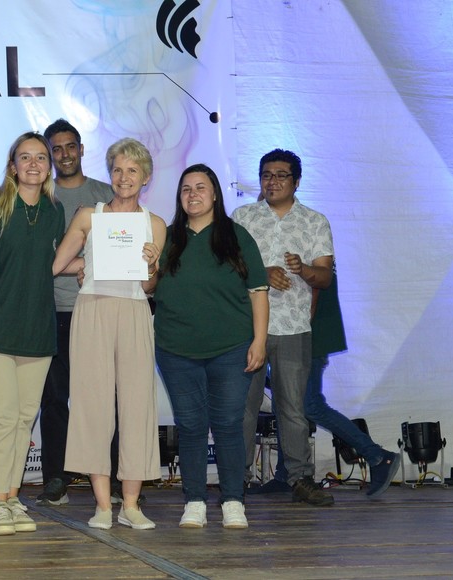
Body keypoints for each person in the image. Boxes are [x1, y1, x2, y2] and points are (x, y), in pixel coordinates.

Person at [53, 138, 166, 530]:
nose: (124, 177)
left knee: (137, 406)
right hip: (93, 310)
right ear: (110, 173)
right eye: (117, 169)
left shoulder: (154, 225)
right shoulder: (89, 215)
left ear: (145, 177)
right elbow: (57, 264)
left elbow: (150, 288)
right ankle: (102, 505)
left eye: (132, 171)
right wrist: (84, 264)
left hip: (135, 312)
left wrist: (152, 267)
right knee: (92, 404)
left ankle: (130, 504)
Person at [150, 164, 268, 529]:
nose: (193, 194)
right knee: (190, 426)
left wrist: (259, 341)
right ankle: (195, 501)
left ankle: (233, 500)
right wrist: (147, 265)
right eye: (186, 188)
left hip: (231, 347)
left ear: (215, 193)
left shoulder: (237, 236)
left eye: (200, 187)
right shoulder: (167, 238)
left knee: (230, 423)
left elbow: (258, 292)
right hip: (175, 349)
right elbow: (146, 288)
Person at [0, 132, 65, 536]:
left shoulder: (55, 212)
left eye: (41, 157)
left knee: (24, 420)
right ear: (12, 166)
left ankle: (13, 496)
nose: (34, 164)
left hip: (36, 330)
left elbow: (50, 265)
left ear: (48, 167)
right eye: (25, 157)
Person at [232, 148, 334, 506]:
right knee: (243, 406)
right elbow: (226, 269)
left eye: (280, 175)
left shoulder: (314, 221)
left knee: (292, 407)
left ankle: (300, 479)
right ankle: (236, 481)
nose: (272, 181)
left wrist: (303, 269)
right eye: (266, 175)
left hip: (293, 327)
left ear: (297, 181)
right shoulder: (242, 217)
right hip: (246, 327)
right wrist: (262, 273)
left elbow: (323, 276)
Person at [250, 269, 400, 497]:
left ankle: (377, 456)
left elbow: (314, 289)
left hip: (307, 335)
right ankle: (284, 475)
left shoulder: (310, 251)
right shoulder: (313, 253)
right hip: (304, 333)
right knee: (288, 403)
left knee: (310, 405)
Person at [36, 119, 113, 506]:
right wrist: (77, 263)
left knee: (103, 398)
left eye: (70, 147)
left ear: (81, 149)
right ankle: (55, 477)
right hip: (51, 311)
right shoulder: (39, 196)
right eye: (56, 149)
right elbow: (35, 257)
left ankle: (111, 478)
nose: (64, 155)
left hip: (97, 307)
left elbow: (124, 248)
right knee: (53, 398)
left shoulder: (105, 194)